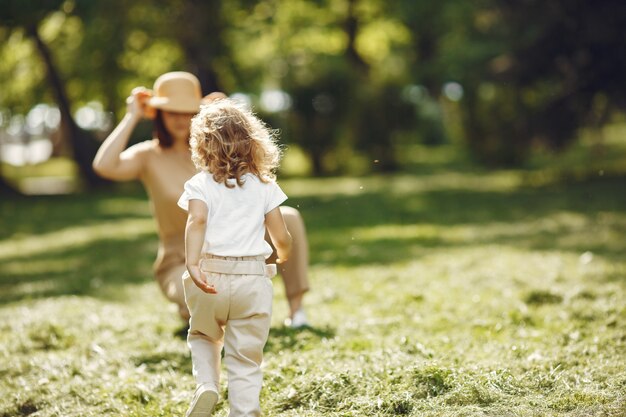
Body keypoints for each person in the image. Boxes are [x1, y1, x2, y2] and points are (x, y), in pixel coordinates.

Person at [92, 71, 309, 327]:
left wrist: (223, 113)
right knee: (203, 305)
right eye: (172, 112)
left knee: (288, 218)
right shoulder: (148, 155)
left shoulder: (217, 152)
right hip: (182, 260)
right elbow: (104, 166)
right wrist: (132, 115)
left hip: (236, 250)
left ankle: (297, 312)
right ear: (159, 114)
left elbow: (255, 175)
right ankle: (196, 312)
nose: (180, 119)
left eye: (187, 111)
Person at [178, 97, 290, 416]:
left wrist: (192, 262)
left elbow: (196, 220)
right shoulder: (266, 186)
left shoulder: (199, 184)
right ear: (254, 142)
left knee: (202, 335)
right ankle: (244, 412)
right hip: (253, 280)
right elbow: (280, 233)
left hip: (209, 275)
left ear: (202, 145)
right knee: (245, 356)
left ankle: (207, 385)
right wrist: (283, 252)